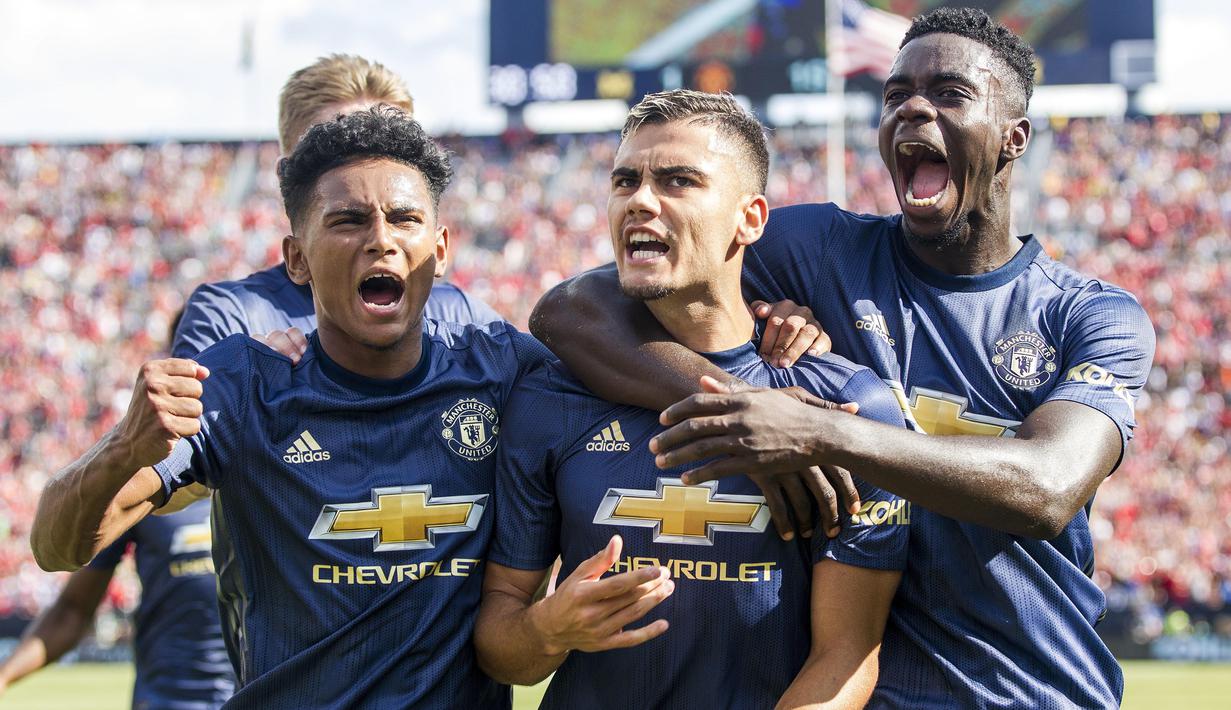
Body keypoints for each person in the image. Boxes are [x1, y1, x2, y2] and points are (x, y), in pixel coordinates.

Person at [530, 8, 1155, 708]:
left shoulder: (1090, 315)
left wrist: (818, 434)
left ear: (1013, 139)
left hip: (1032, 690)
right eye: (895, 95)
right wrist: (739, 407)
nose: (913, 106)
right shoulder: (817, 251)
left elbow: (1046, 489)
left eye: (948, 94)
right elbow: (572, 310)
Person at [30, 107, 547, 708]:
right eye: (349, 221)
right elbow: (55, 546)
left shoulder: (504, 371)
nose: (381, 239)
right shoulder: (242, 386)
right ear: (297, 259)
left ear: (439, 247)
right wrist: (123, 447)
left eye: (404, 219)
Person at [475, 90, 906, 709]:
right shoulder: (550, 393)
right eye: (625, 181)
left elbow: (846, 655)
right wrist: (546, 630)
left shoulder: (845, 406)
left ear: (751, 218)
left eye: (678, 181)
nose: (640, 201)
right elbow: (500, 639)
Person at [171, 53, 502, 360]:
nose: (364, 163)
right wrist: (248, 386)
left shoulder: (464, 319)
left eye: (391, 144)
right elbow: (177, 418)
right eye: (332, 147)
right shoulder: (232, 318)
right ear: (286, 176)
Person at [0, 500, 233, 708]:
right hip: (165, 697)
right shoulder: (148, 486)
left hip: (250, 692)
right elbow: (72, 610)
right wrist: (4, 676)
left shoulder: (259, 473)